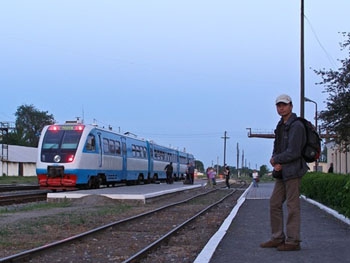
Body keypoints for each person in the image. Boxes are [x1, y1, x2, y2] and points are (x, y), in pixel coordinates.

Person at [260, 94, 308, 251]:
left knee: (293, 206)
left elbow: (294, 151)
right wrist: (275, 160)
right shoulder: (281, 125)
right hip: (282, 172)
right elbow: (277, 147)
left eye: (284, 105)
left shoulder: (297, 126)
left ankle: (293, 241)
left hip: (293, 172)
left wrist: (277, 160)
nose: (281, 108)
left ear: (291, 106)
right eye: (278, 105)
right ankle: (277, 237)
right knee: (274, 203)